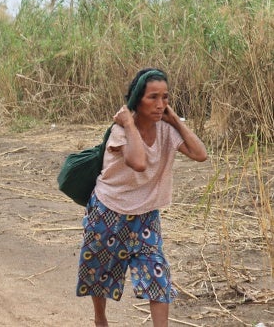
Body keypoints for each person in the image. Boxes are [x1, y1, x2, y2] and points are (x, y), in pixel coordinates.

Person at [76, 68, 208, 327]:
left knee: (158, 276)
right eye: (153, 98)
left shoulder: (166, 130)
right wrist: (127, 122)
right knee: (99, 274)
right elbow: (138, 162)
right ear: (137, 99)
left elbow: (200, 153)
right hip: (107, 211)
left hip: (145, 217)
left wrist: (175, 121)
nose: (161, 105)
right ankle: (100, 319)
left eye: (165, 98)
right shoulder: (120, 130)